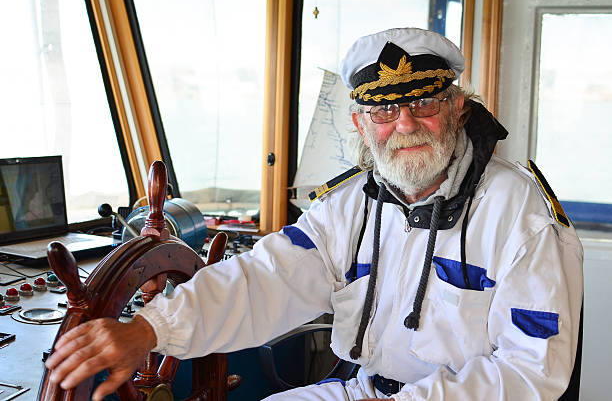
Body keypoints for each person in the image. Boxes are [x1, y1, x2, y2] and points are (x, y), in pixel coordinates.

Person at [45, 27, 583, 401]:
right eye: (384, 110)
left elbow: (529, 372)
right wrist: (149, 329)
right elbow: (264, 279)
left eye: (424, 103)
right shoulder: (349, 206)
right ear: (358, 122)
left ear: (458, 107)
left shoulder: (522, 215)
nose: (405, 125)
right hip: (362, 387)